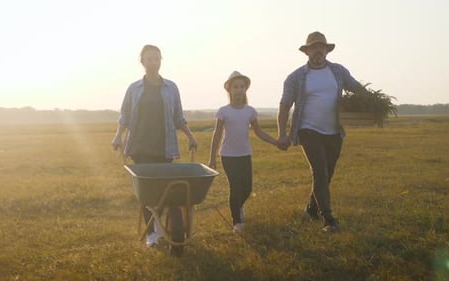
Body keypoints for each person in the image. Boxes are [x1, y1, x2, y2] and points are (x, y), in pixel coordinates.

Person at [277, 31, 370, 232]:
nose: (318, 50)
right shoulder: (296, 77)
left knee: (327, 174)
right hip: (308, 130)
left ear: (326, 50)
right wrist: (282, 134)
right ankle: (328, 219)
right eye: (314, 47)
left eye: (322, 47)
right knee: (319, 171)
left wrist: (373, 100)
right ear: (307, 51)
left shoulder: (338, 71)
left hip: (334, 131)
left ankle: (311, 208)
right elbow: (284, 106)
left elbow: (356, 88)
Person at [111, 44, 198, 247]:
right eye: (148, 59)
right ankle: (151, 234)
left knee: (164, 190)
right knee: (147, 192)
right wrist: (118, 137)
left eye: (156, 58)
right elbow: (124, 116)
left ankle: (160, 228)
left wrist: (191, 136)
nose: (153, 62)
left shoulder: (171, 88)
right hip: (140, 146)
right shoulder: (134, 89)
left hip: (164, 146)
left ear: (160, 61)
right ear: (142, 62)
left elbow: (178, 117)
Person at [209, 71, 278, 233]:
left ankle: (237, 207)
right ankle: (237, 222)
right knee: (235, 186)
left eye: (242, 87)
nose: (239, 90)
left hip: (244, 154)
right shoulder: (223, 111)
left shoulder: (250, 111)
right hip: (228, 155)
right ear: (229, 90)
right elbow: (217, 134)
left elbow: (259, 132)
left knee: (247, 188)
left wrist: (275, 142)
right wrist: (212, 158)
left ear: (245, 89)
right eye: (235, 87)